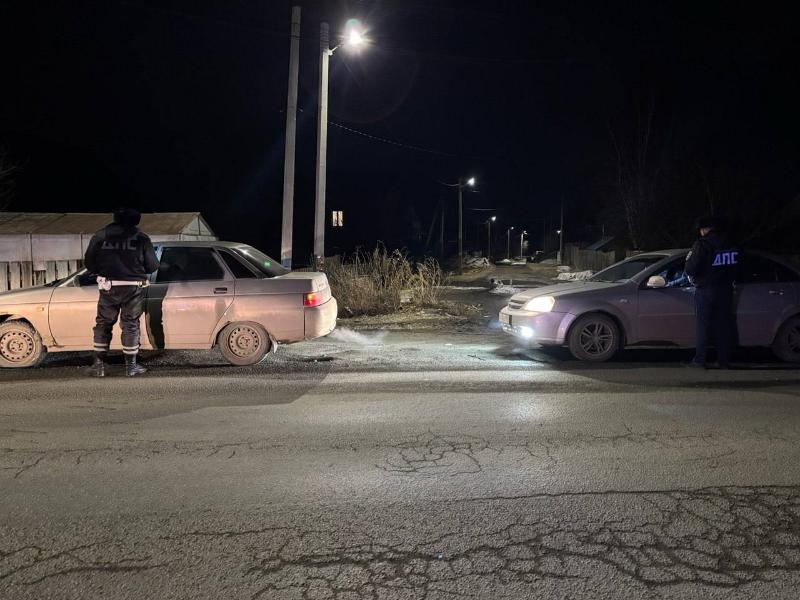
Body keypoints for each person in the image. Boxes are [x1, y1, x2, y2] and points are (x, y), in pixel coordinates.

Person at [83, 208, 159, 377]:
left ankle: (98, 366)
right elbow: (153, 266)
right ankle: (131, 367)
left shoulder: (100, 236)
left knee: (103, 323)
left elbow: (89, 262)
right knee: (130, 324)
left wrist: (102, 272)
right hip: (133, 288)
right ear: (136, 220)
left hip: (108, 287)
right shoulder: (141, 238)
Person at [684, 216, 738, 369]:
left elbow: (691, 269)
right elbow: (737, 267)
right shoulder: (730, 244)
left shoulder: (703, 245)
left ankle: (700, 361)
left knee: (703, 326)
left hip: (706, 290)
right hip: (726, 290)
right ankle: (724, 361)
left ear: (704, 229)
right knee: (723, 326)